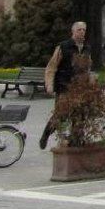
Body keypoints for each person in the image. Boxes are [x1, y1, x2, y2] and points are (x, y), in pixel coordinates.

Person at [38, 21, 89, 150]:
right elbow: (51, 67)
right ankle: (46, 134)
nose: (82, 32)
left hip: (79, 87)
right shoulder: (63, 47)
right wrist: (49, 85)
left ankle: (75, 140)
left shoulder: (86, 48)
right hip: (64, 85)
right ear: (73, 31)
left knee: (80, 114)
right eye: (79, 30)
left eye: (84, 30)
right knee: (61, 115)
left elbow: (88, 67)